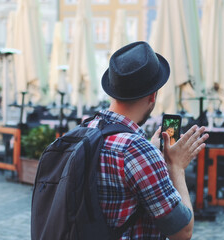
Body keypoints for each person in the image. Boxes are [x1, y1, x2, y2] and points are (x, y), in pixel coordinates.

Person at [86, 41, 208, 239]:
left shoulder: (87, 129)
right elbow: (183, 232)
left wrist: (151, 151)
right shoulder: (136, 151)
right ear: (153, 96)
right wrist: (175, 166)